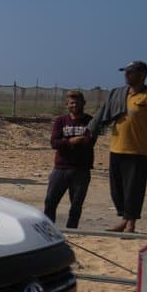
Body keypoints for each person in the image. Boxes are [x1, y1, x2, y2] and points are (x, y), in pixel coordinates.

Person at [88, 60, 147, 233]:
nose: (126, 75)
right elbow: (105, 114)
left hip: (137, 150)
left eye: (130, 72)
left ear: (142, 75)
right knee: (118, 188)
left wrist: (143, 131)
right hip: (116, 148)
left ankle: (131, 223)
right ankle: (123, 218)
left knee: (134, 189)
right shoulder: (120, 94)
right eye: (126, 72)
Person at [44, 91, 93, 228]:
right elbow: (54, 143)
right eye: (71, 103)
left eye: (77, 102)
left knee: (76, 205)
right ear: (67, 105)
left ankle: (72, 230)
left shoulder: (90, 121)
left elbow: (89, 142)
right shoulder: (61, 121)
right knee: (50, 202)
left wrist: (66, 142)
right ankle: (49, 228)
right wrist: (71, 141)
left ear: (84, 103)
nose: (74, 105)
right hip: (61, 168)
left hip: (81, 169)